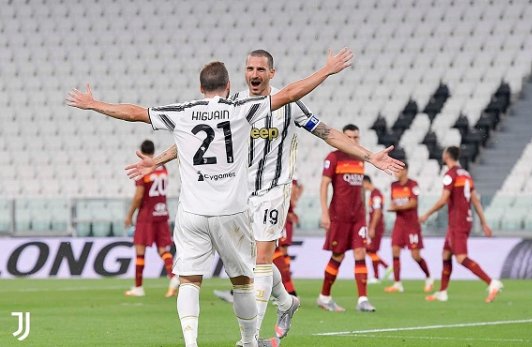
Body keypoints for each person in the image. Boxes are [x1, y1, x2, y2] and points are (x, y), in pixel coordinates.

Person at [67, 48, 355, 347]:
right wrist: (326, 70)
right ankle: (250, 339)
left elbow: (134, 112)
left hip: (193, 212)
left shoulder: (183, 112)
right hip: (232, 210)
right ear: (229, 86)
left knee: (190, 280)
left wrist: (94, 104)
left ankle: (193, 344)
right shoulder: (240, 110)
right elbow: (289, 95)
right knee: (246, 280)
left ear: (200, 87)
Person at [127, 50, 405, 342]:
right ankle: (285, 302)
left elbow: (327, 133)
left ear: (271, 73)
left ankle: (253, 338)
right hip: (239, 195)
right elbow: (195, 141)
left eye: (261, 69)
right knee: (253, 263)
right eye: (250, 68)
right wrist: (157, 160)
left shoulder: (289, 105)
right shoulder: (232, 105)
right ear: (243, 74)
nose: (255, 74)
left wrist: (369, 156)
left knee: (259, 260)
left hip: (274, 190)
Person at [419, 146, 503, 303]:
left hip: (458, 221)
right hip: (464, 220)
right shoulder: (465, 174)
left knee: (461, 258)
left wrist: (426, 214)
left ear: (446, 156)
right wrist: (484, 222)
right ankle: (443, 292)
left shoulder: (449, 175)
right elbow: (475, 200)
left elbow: (443, 200)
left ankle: (492, 283)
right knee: (446, 254)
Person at [318, 124, 376, 313]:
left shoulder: (361, 158)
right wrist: (325, 212)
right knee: (338, 255)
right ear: (342, 138)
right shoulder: (333, 157)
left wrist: (365, 214)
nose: (353, 141)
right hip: (339, 216)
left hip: (358, 216)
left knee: (360, 253)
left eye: (356, 138)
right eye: (349, 137)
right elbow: (324, 185)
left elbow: (360, 191)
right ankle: (324, 297)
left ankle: (363, 300)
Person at [123, 139, 179, 298]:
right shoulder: (162, 168)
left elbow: (139, 195)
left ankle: (138, 287)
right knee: (163, 250)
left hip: (147, 215)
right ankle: (173, 277)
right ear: (154, 152)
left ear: (141, 151)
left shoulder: (144, 171)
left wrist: (130, 215)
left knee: (140, 250)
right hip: (161, 213)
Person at [385, 162, 433, 293]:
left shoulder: (413, 184)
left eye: (398, 170)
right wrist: (393, 207)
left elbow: (413, 203)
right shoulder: (393, 186)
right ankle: (397, 283)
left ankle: (429, 277)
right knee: (395, 251)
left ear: (405, 171)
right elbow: (394, 201)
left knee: (415, 256)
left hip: (412, 225)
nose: (395, 173)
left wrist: (397, 207)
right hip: (399, 224)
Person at [272, 177, 302, 296]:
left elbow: (293, 189)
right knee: (278, 252)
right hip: (279, 215)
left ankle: (288, 290)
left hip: (277, 216)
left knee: (277, 251)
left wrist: (288, 210)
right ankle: (288, 290)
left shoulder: (286, 172)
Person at [362, 175, 389, 284]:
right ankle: (384, 267)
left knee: (371, 250)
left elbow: (377, 212)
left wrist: (372, 227)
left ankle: (378, 275)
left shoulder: (376, 194)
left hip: (377, 227)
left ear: (366, 182)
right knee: (370, 250)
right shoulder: (373, 194)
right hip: (375, 226)